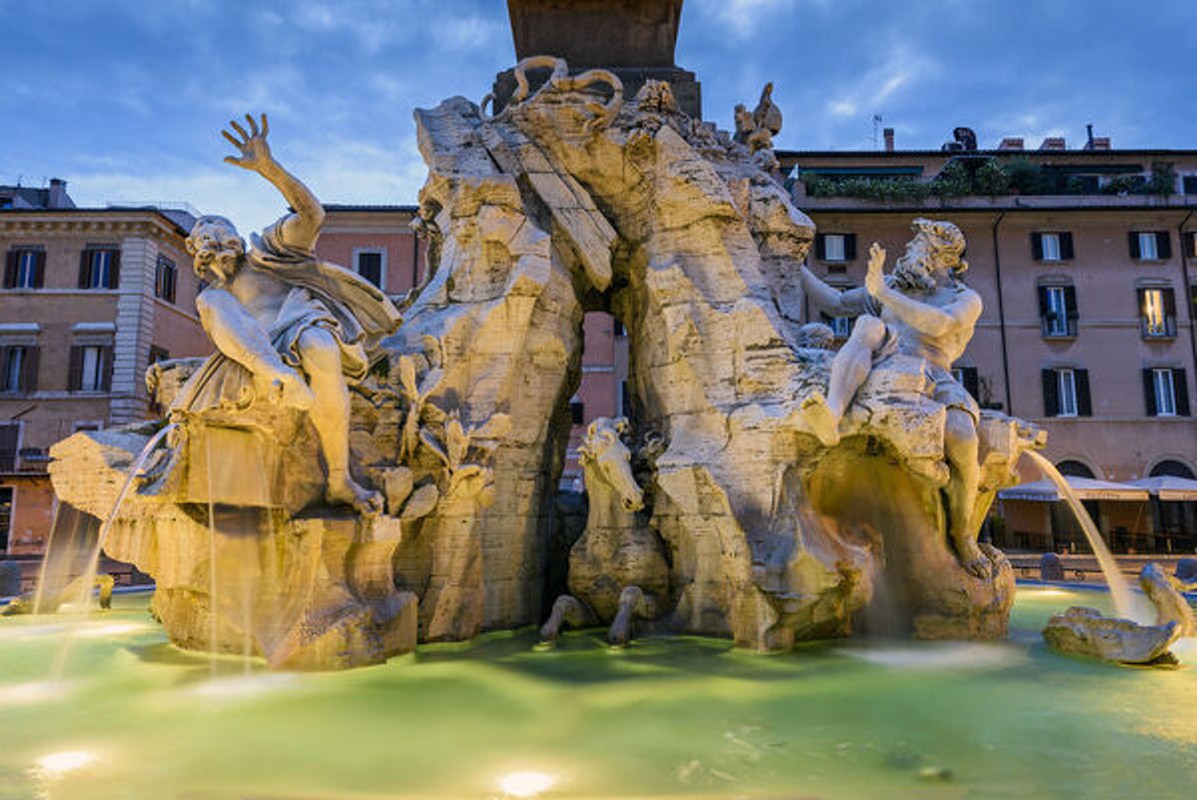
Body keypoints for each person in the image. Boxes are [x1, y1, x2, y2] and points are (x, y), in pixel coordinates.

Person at [178, 113, 401, 515]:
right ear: (196, 252)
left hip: (299, 324)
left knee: (319, 344)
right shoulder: (214, 298)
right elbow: (221, 317)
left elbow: (313, 216)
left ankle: (339, 479)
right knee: (212, 301)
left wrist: (269, 169)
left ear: (235, 236)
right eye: (204, 229)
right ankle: (279, 374)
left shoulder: (269, 253)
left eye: (220, 224)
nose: (213, 231)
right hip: (254, 356)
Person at [800, 218, 987, 576]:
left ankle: (964, 535)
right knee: (867, 325)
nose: (907, 252)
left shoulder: (964, 298)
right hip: (885, 362)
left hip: (935, 374)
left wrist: (883, 293)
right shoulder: (891, 286)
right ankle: (832, 414)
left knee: (963, 437)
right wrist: (792, 262)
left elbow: (940, 325)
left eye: (916, 246)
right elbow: (835, 301)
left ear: (941, 257)